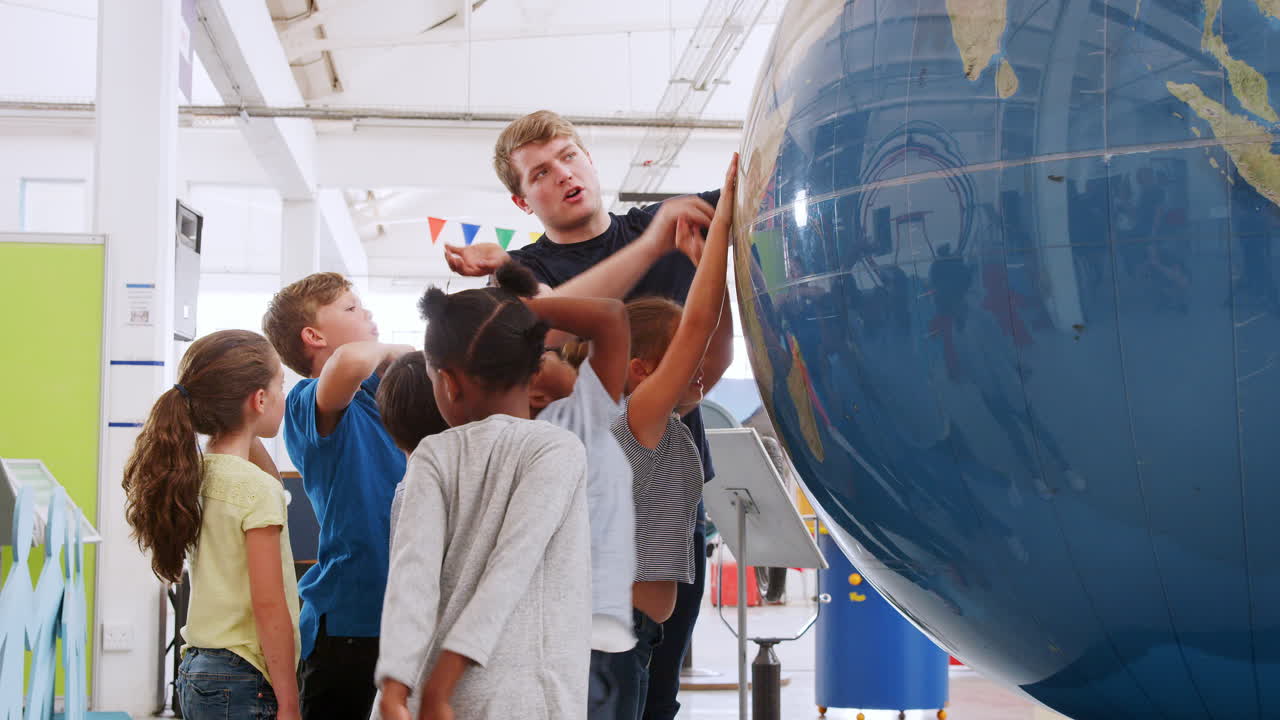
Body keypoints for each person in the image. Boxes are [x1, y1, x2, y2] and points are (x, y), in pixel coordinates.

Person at [446, 110, 733, 719]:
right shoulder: (525, 279)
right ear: (523, 202)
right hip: (578, 518)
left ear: (591, 160)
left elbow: (753, 184)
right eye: (541, 173)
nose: (564, 175)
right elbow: (551, 323)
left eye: (570, 156)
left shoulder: (664, 223)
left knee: (657, 694)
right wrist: (659, 242)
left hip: (668, 506)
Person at [374, 271, 592, 720]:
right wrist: (442, 687)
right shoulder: (558, 449)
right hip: (522, 695)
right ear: (534, 371)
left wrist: (396, 687)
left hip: (425, 690)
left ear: (449, 383)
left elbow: (410, 576)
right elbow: (511, 566)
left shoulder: (432, 453)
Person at [605, 154, 736, 718]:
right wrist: (720, 233)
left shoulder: (672, 427)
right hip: (613, 634)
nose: (700, 370)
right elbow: (700, 321)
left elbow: (715, 340)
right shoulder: (633, 422)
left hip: (639, 634)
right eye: (684, 361)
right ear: (641, 372)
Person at [122, 330, 299, 720]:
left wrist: (245, 426)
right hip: (243, 675)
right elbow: (269, 607)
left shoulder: (195, 475)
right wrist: (289, 701)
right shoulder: (253, 490)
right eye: (280, 387)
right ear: (259, 399)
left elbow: (270, 482)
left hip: (199, 669)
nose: (284, 399)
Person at [261, 272, 414, 720]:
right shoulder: (308, 401)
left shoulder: (383, 399)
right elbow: (347, 362)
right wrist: (399, 352)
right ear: (313, 336)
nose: (365, 313)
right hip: (349, 621)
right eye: (350, 308)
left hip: (406, 615)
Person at [497, 260, 636, 717]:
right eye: (547, 355)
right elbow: (607, 316)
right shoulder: (583, 418)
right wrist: (515, 311)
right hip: (583, 634)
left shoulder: (497, 443)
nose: (560, 352)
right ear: (534, 387)